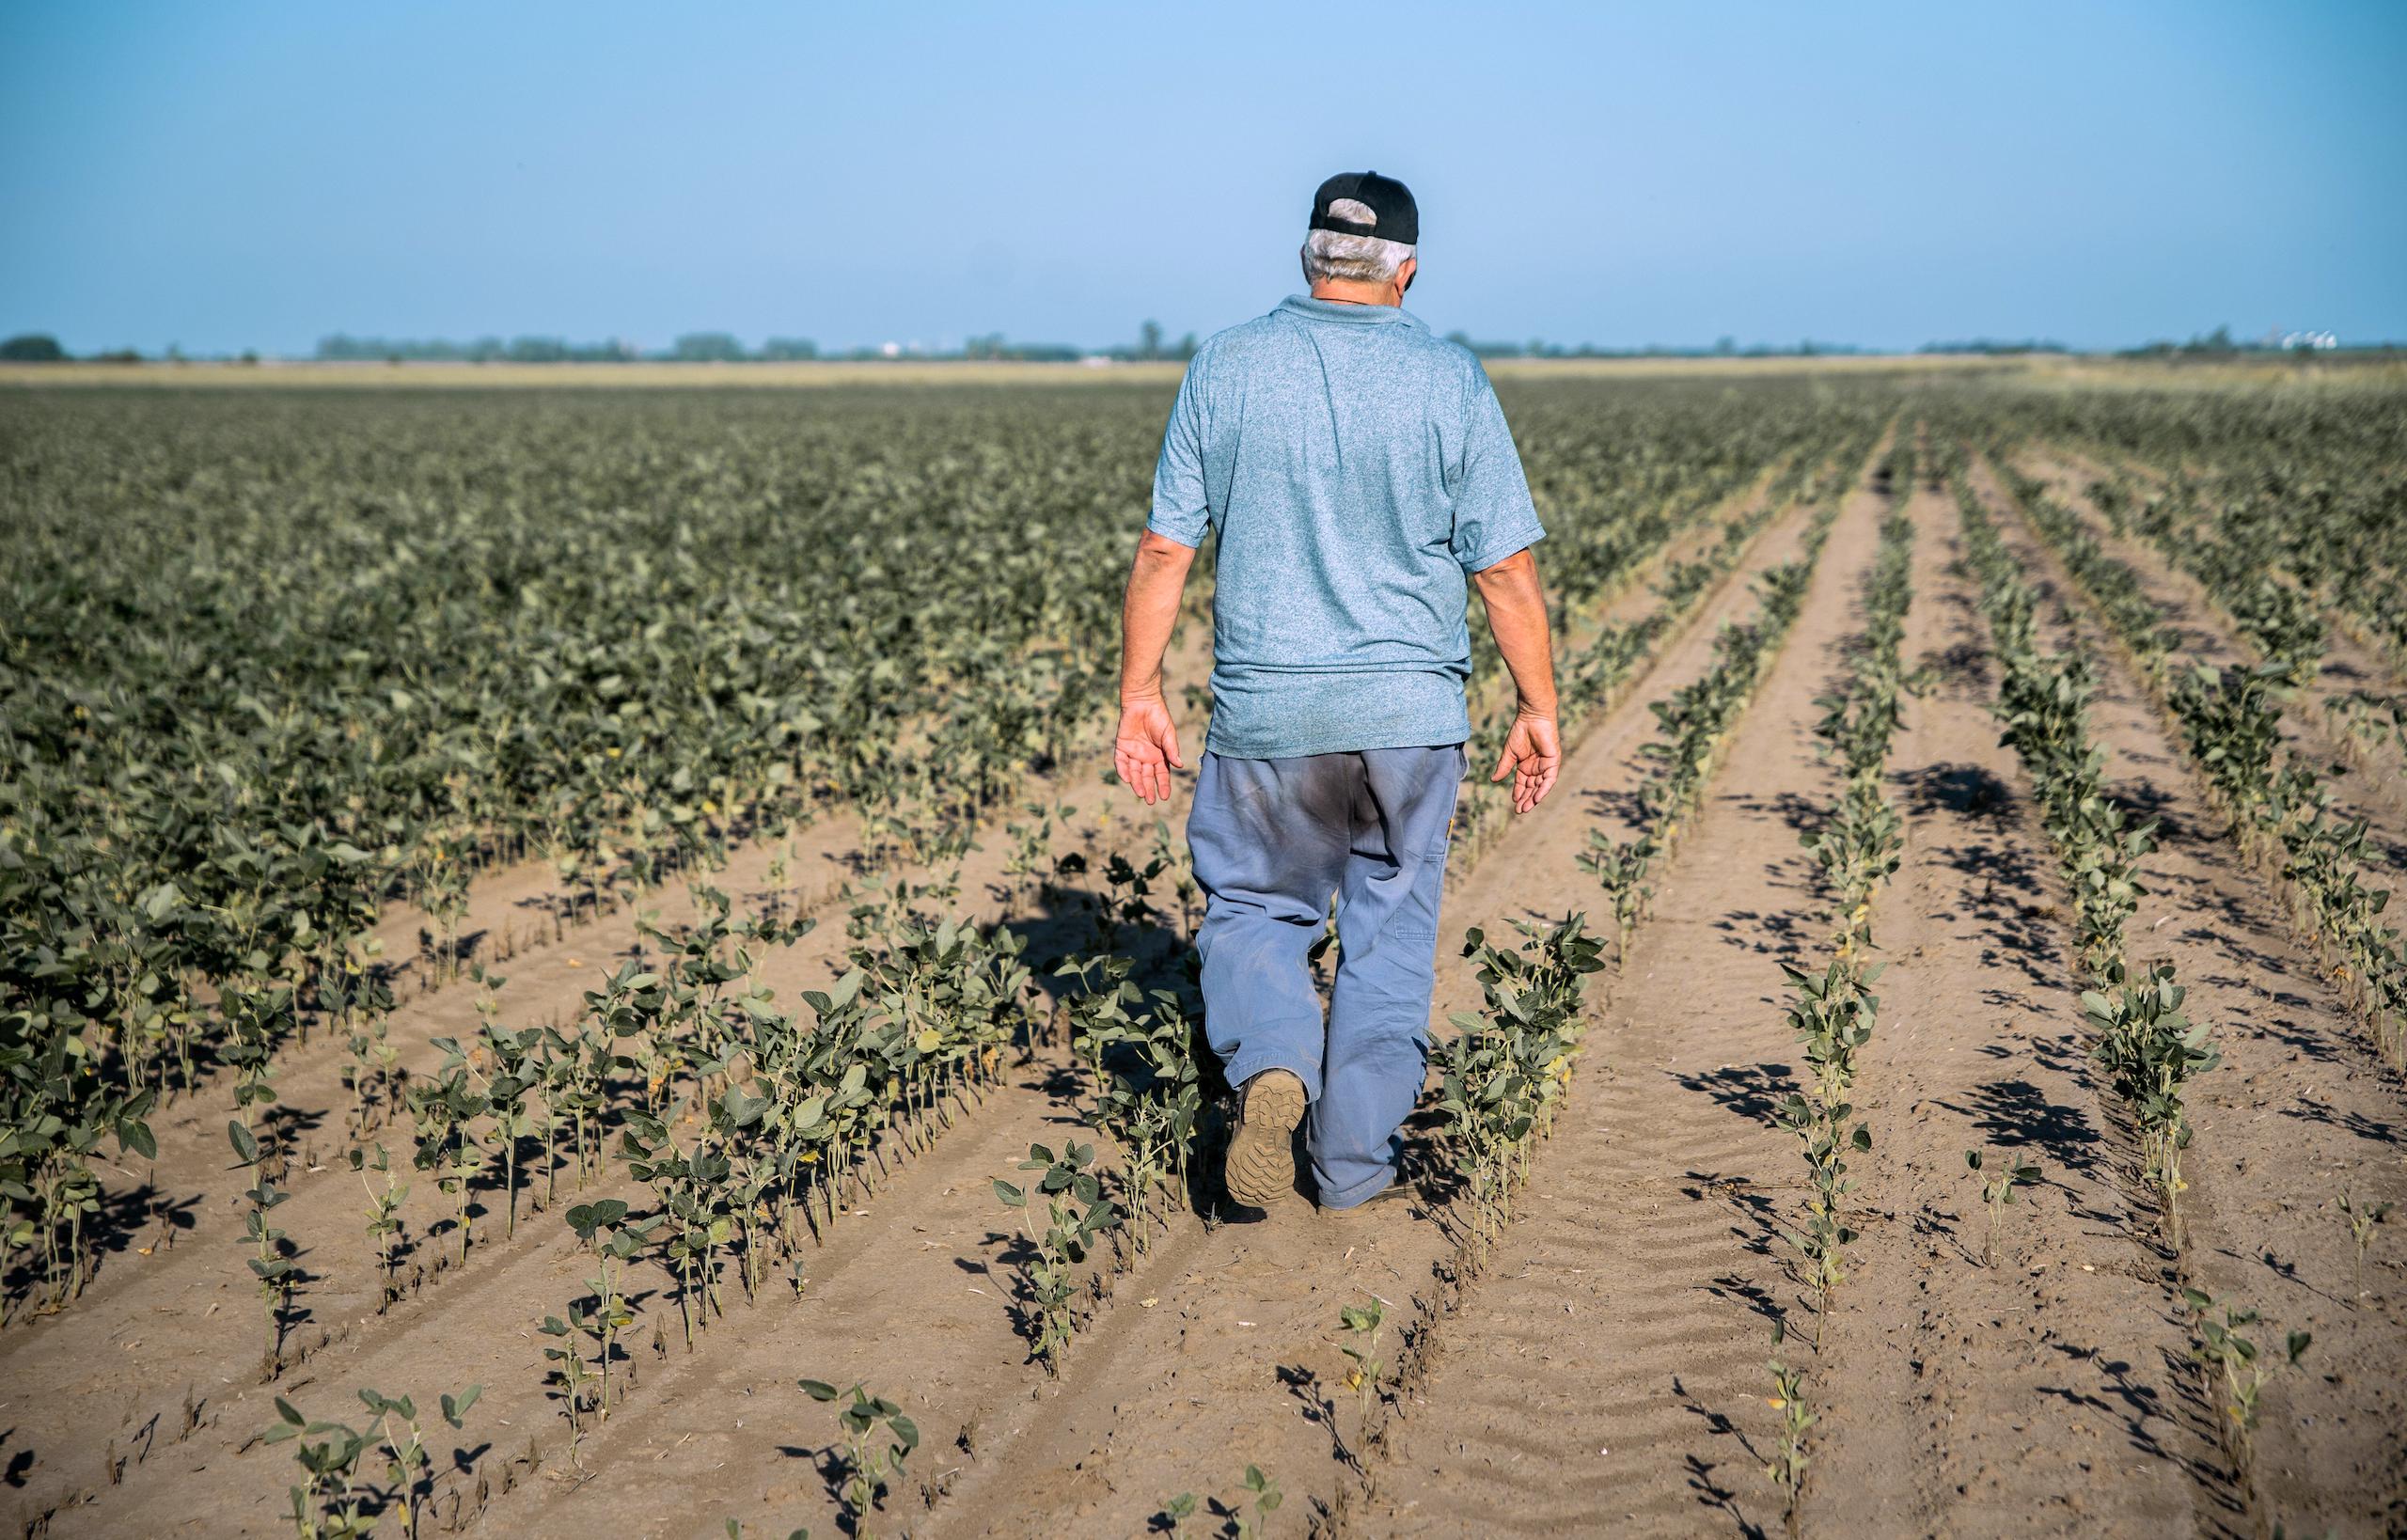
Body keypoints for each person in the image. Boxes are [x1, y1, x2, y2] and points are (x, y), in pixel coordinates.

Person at [1111, 169, 1561, 1215]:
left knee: (1257, 911)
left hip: (1269, 717)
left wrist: (1141, 691)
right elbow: (1503, 572)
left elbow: (1162, 548)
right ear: (1406, 270)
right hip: (1409, 721)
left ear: (1308, 259)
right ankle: (1353, 1173)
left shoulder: (1224, 365)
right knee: (1388, 937)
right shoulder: (1450, 380)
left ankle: (1273, 1059)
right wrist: (1536, 707)